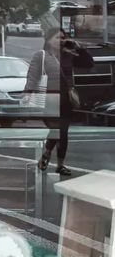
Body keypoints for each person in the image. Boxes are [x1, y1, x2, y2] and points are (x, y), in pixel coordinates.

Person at [25, 21, 92, 177]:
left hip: (66, 100)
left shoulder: (69, 55)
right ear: (48, 40)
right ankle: (49, 154)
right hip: (49, 99)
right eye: (57, 37)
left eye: (63, 37)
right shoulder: (41, 56)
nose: (61, 40)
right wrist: (27, 93)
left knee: (62, 132)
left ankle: (58, 163)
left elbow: (88, 63)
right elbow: (33, 76)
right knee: (59, 130)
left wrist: (78, 47)